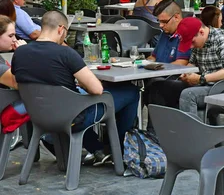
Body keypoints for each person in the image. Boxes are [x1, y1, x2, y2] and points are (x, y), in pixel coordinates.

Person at [11, 11, 138, 163]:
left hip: (38, 116)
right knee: (131, 91)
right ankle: (119, 149)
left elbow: (22, 81)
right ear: (61, 29)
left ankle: (97, 148)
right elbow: (97, 89)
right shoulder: (66, 53)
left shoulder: (19, 53)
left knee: (78, 98)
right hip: (72, 119)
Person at [148, 17, 224, 114]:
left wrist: (201, 78)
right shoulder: (197, 43)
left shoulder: (222, 38)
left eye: (192, 42)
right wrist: (186, 75)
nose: (191, 46)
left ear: (201, 32)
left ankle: (192, 129)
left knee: (188, 95)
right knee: (158, 86)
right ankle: (159, 128)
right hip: (204, 84)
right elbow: (191, 64)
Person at [148, 0, 190, 64]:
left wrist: (158, 69)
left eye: (164, 21)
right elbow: (153, 57)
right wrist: (143, 63)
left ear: (176, 17)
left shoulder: (186, 35)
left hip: (170, 74)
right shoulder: (165, 32)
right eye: (159, 21)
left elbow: (181, 63)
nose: (160, 25)